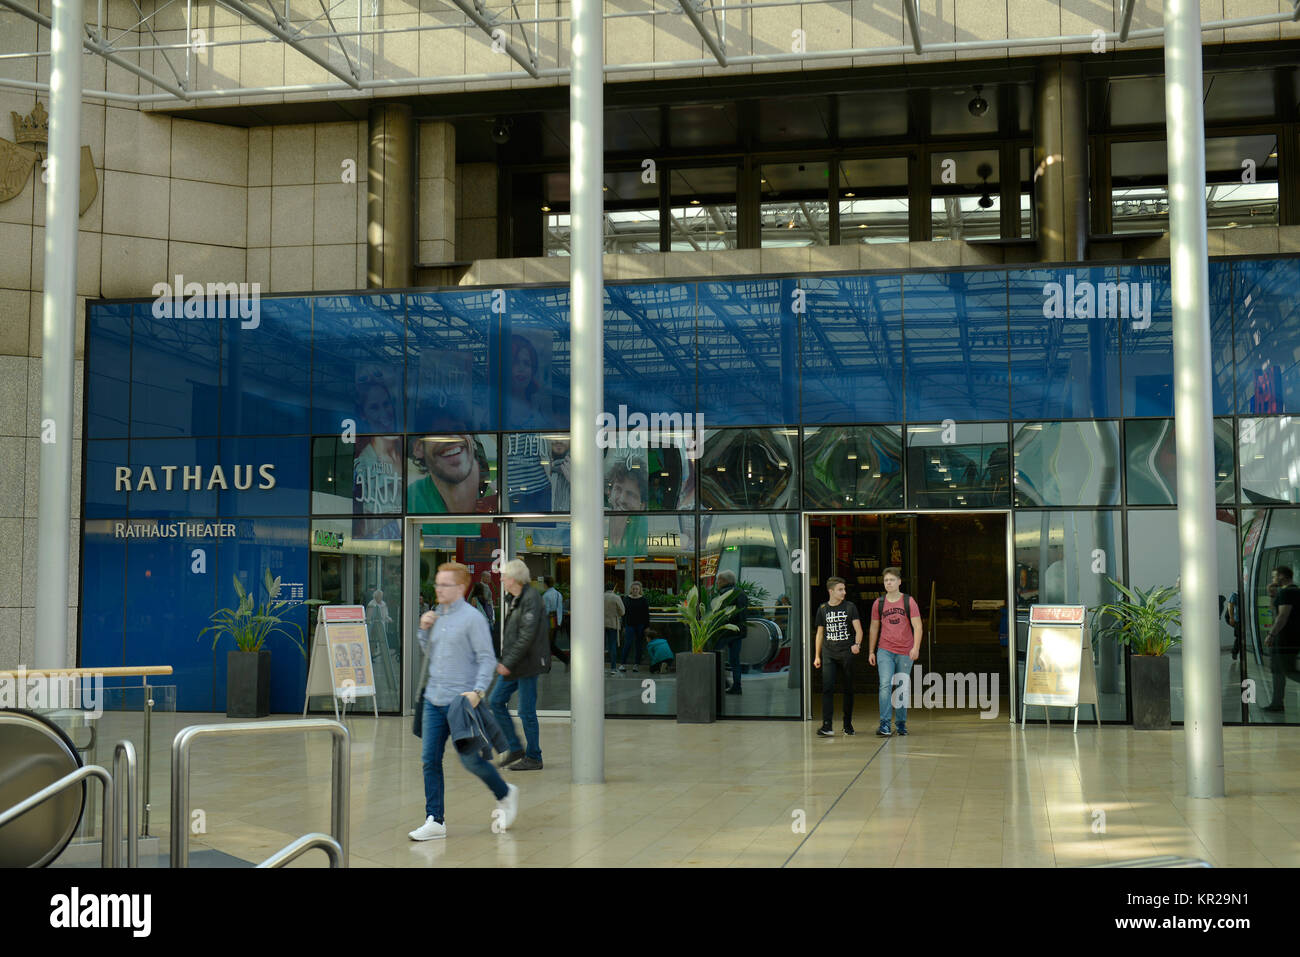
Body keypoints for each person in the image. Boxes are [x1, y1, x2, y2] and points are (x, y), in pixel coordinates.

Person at [409, 562, 519, 841]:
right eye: (437, 583)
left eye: (444, 584)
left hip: (461, 704)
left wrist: (478, 691)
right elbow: (431, 653)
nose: (438, 589)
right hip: (433, 699)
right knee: (429, 760)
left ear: (460, 588)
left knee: (470, 761)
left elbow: (486, 659)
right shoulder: (435, 616)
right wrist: (423, 630)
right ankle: (435, 819)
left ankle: (505, 793)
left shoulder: (473, 619)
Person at [490, 560, 551, 771]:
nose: (501, 579)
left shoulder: (531, 599)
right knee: (496, 701)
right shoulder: (517, 598)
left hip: (527, 664)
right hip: (516, 663)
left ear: (514, 578)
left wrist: (507, 662)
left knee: (526, 711)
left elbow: (527, 635)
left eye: (504, 576)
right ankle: (515, 747)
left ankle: (534, 756)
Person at [867, 567, 922, 737]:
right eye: (886, 580)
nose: (888, 583)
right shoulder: (879, 603)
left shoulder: (909, 601)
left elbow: (918, 626)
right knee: (885, 685)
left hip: (905, 650)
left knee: (901, 686)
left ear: (899, 582)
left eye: (891, 580)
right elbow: (874, 627)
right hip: (885, 650)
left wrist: (916, 647)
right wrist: (871, 651)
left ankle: (900, 723)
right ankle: (884, 724)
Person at [813, 576, 863, 737]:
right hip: (828, 653)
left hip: (846, 653)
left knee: (848, 689)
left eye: (844, 589)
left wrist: (857, 644)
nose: (844, 592)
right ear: (831, 591)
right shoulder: (822, 609)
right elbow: (820, 634)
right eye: (840, 590)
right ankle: (827, 725)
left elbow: (859, 630)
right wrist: (817, 656)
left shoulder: (850, 607)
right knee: (827, 688)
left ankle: (847, 724)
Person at [407, 434, 494, 513]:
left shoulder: (493, 493)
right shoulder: (414, 496)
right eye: (439, 431)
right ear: (418, 448)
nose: (452, 437)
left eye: (458, 427)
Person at [1263, 566, 1299, 713]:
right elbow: (1277, 611)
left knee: (1286, 670)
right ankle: (1277, 703)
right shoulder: (1295, 591)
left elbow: (1281, 616)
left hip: (1284, 637)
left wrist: (1271, 634)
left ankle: (1277, 703)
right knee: (1278, 670)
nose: (1273, 579)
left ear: (1282, 576)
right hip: (1293, 636)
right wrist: (1272, 595)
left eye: (1274, 576)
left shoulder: (1286, 592)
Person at [715, 569, 748, 695]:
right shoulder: (740, 592)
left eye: (719, 580)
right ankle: (736, 685)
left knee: (716, 656)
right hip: (738, 631)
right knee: (735, 660)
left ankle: (723, 682)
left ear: (725, 581)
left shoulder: (725, 594)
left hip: (726, 632)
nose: (717, 582)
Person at [620, 581, 650, 673]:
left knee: (639, 645)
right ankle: (622, 664)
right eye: (633, 589)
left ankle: (636, 664)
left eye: (637, 589)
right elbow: (623, 613)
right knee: (627, 643)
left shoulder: (643, 600)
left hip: (640, 625)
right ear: (631, 590)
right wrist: (623, 626)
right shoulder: (626, 599)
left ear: (640, 590)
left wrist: (647, 626)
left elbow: (646, 614)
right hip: (629, 624)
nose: (635, 590)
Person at [543, 576, 569, 668]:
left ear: (545, 584)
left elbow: (546, 610)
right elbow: (560, 608)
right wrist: (559, 621)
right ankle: (550, 664)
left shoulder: (546, 595)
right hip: (556, 621)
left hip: (548, 621)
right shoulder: (558, 594)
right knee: (550, 643)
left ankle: (565, 660)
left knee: (549, 644)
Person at [604, 584, 625, 676]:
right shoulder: (616, 597)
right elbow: (622, 611)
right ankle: (613, 668)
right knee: (612, 645)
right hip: (613, 624)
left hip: (600, 624)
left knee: (601, 646)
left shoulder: (599, 597)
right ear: (613, 589)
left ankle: (599, 666)